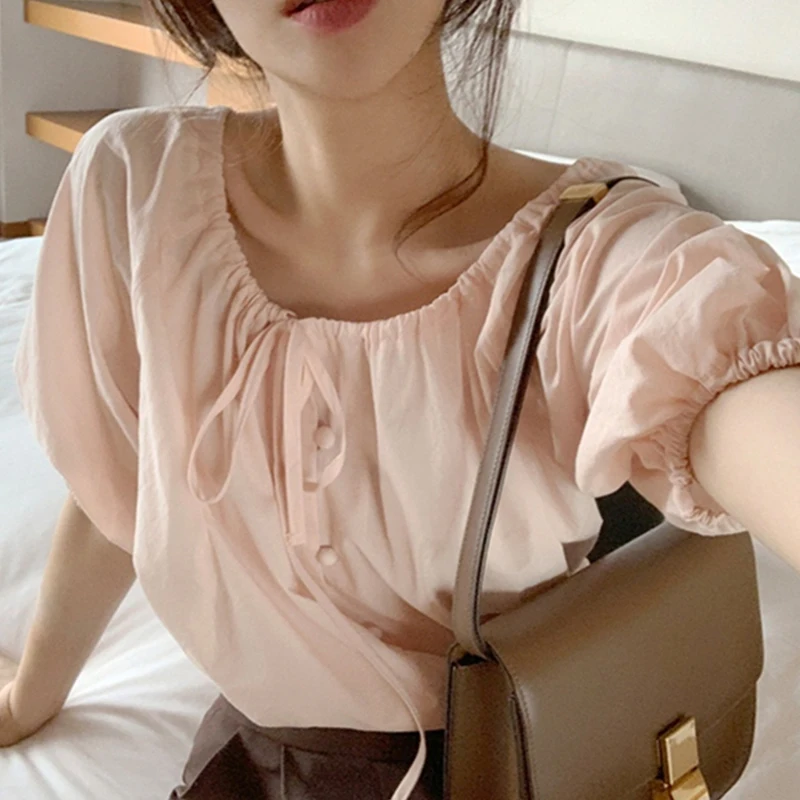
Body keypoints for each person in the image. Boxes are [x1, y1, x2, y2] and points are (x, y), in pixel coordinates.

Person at [2, 0, 800, 798]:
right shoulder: (134, 188)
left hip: (509, 759)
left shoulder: (605, 261)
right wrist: (27, 697)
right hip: (251, 763)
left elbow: (723, 374)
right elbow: (125, 473)